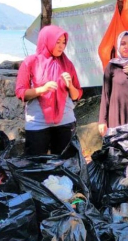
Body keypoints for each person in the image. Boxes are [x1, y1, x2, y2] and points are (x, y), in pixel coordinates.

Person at [15, 25, 82, 156]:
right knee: (35, 165)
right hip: (38, 122)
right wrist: (42, 89)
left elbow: (77, 95)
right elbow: (20, 92)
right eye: (57, 42)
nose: (61, 46)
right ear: (47, 40)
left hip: (65, 122)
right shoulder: (31, 62)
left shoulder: (67, 64)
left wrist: (70, 86)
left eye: (63, 42)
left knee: (65, 165)